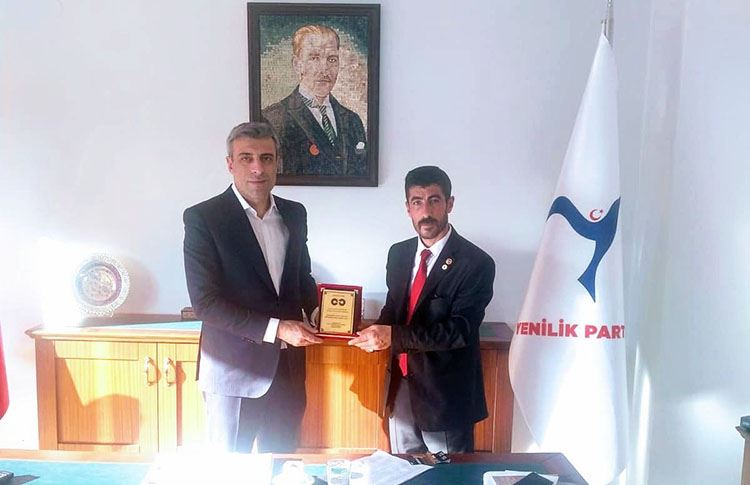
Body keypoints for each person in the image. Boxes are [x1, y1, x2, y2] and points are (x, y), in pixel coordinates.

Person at [183, 121, 323, 453]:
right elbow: (205, 302)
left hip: (288, 371)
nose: (258, 168)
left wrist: (323, 311)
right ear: (230, 164)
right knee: (231, 470)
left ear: (277, 163)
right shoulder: (204, 218)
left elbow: (301, 277)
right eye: (246, 158)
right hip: (233, 372)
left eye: (266, 158)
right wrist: (278, 329)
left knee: (282, 464)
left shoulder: (294, 214)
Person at [349, 166, 495, 454]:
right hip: (401, 385)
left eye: (434, 200)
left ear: (450, 204)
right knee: (404, 468)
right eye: (417, 202)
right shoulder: (399, 253)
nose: (425, 212)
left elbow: (459, 331)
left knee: (447, 473)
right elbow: (395, 308)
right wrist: (364, 330)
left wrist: (393, 336)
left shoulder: (476, 263)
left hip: (445, 395)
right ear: (408, 208)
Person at [262, 24, 367, 176]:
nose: (324, 69)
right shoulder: (273, 119)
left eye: (332, 59)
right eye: (314, 58)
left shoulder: (353, 120)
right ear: (297, 65)